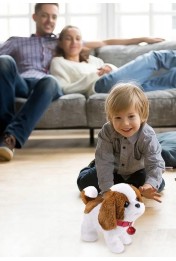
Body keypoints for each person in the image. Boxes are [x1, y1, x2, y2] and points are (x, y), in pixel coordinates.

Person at [0, 4, 165, 162]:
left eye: (54, 16)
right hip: (22, 83)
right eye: (44, 15)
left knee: (50, 80)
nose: (50, 20)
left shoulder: (61, 41)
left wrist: (143, 38)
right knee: (5, 61)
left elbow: (105, 43)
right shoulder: (16, 41)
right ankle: (3, 132)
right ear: (35, 17)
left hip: (48, 86)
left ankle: (10, 138)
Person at [50, 25, 176, 97]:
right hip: (100, 87)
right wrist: (93, 76)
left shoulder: (93, 60)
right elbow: (63, 89)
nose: (74, 43)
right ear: (61, 42)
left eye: (78, 38)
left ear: (82, 42)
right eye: (68, 39)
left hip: (121, 88)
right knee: (154, 58)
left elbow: (116, 72)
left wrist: (109, 67)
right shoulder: (59, 62)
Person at [77, 83, 165, 203]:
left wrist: (149, 186)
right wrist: (107, 191)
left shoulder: (147, 135)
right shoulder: (107, 131)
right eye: (118, 118)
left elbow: (155, 163)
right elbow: (104, 163)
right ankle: (93, 166)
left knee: (158, 184)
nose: (125, 124)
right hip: (112, 169)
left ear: (142, 115)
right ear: (110, 118)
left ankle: (125, 186)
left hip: (137, 170)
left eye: (131, 116)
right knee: (84, 183)